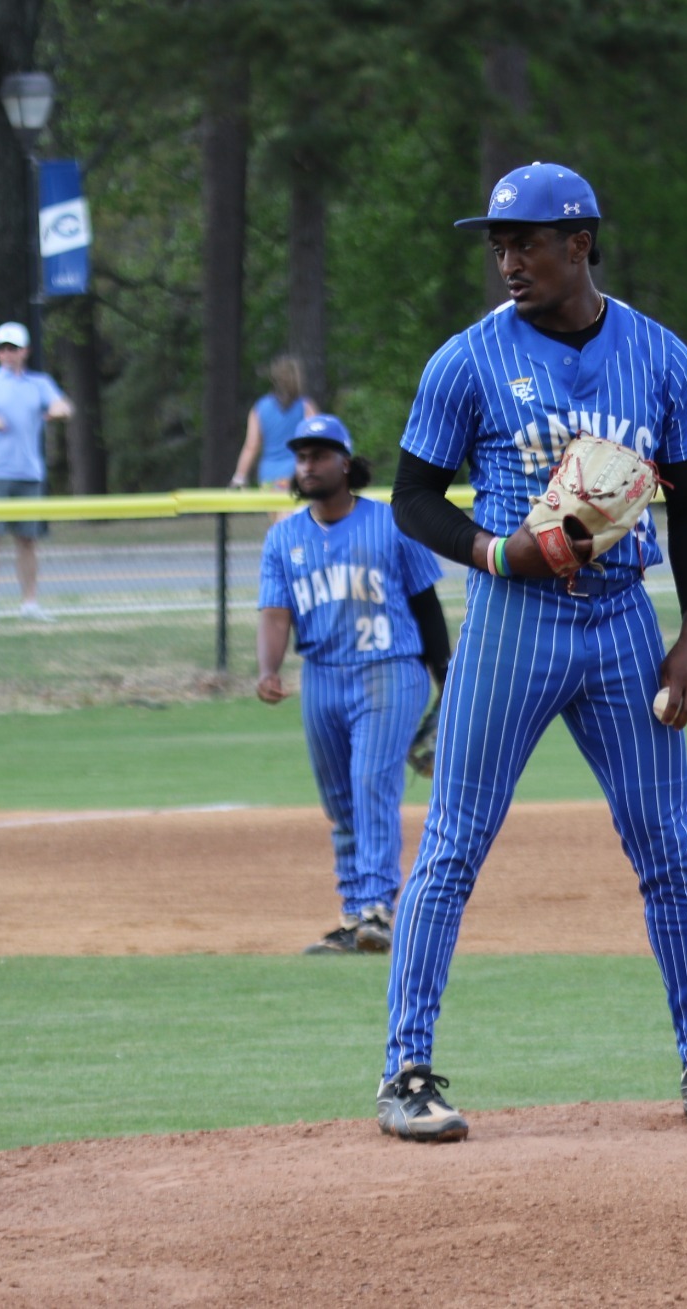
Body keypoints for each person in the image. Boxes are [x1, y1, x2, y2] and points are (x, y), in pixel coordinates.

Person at [374, 162, 687, 1142]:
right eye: (497, 243)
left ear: (580, 240)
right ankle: (405, 1071)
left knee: (667, 847)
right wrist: (487, 549)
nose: (508, 260)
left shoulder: (660, 356)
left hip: (623, 620)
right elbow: (412, 496)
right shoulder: (464, 361)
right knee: (454, 843)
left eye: (528, 242)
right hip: (514, 619)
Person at [255, 416, 451, 956]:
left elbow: (426, 606)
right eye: (301, 457)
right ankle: (353, 915)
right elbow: (275, 614)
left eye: (320, 455)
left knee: (371, 785)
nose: (308, 466)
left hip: (390, 670)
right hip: (322, 677)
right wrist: (269, 669)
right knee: (341, 801)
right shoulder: (284, 537)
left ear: (346, 462)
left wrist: (448, 680)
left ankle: (379, 909)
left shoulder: (391, 524)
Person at [0, 321, 72, 623]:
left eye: (12, 348)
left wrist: (58, 411)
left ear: (25, 351)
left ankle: (29, 603)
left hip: (29, 473)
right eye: (1, 348)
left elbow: (62, 405)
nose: (6, 353)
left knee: (27, 540)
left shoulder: (39, 383)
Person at [230, 355, 319, 494]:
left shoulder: (259, 408)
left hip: (268, 474)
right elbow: (317, 441)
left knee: (277, 514)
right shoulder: (306, 406)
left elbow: (251, 446)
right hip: (298, 473)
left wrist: (240, 476)